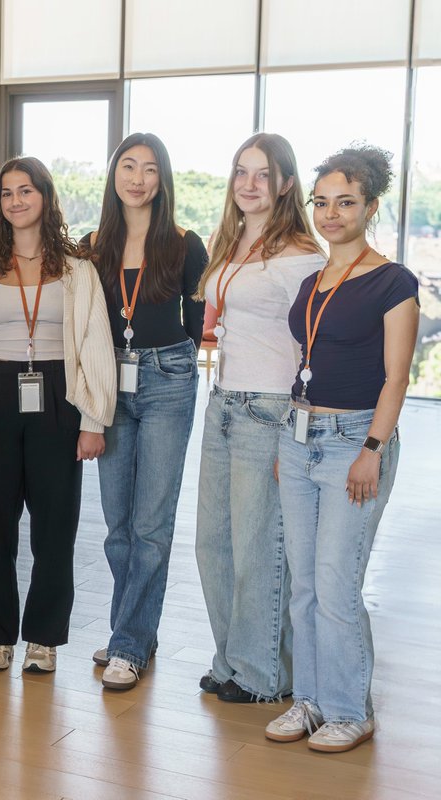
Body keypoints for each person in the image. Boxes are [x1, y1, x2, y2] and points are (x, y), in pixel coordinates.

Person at [0, 156, 115, 673]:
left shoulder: (78, 271)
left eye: (26, 191)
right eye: (7, 193)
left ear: (45, 198)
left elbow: (95, 343)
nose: (16, 200)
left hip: (57, 395)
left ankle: (43, 638)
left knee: (56, 525)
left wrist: (92, 420)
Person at [267, 145, 419, 752]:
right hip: (300, 437)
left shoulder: (392, 280)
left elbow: (398, 375)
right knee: (302, 582)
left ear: (370, 206)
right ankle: (310, 700)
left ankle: (349, 708)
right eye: (322, 202)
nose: (331, 214)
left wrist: (373, 448)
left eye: (346, 203)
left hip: (356, 440)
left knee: (335, 583)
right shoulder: (313, 280)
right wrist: (288, 436)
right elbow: (307, 361)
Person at [194, 133, 324, 704]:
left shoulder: (303, 257)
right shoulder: (232, 244)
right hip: (223, 403)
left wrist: (298, 426)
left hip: (268, 410)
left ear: (287, 185)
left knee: (257, 547)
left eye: (263, 175)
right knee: (212, 544)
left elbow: (316, 347)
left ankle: (261, 673)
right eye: (241, 172)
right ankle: (230, 659)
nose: (249, 184)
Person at [82, 132, 208, 691]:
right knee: (117, 526)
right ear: (114, 175)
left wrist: (167, 362)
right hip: (110, 380)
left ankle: (128, 642)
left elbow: (195, 325)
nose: (137, 178)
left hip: (168, 380)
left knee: (151, 525)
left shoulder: (185, 244)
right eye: (127, 166)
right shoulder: (91, 244)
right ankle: (135, 630)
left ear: (163, 179)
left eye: (149, 168)